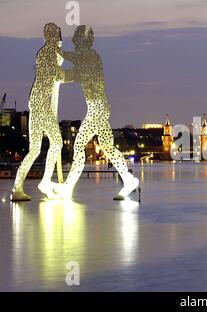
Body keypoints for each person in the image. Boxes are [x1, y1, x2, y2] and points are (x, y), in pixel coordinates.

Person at [54, 25, 139, 200]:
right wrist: (55, 75)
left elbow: (74, 62)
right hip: (98, 107)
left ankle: (67, 188)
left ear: (83, 41)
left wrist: (56, 50)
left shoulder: (90, 57)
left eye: (76, 39)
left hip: (97, 108)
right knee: (108, 147)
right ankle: (128, 179)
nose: (73, 42)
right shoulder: (87, 61)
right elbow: (70, 75)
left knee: (78, 146)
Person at [11, 23, 68, 201]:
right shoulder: (49, 53)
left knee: (35, 149)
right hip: (42, 104)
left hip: (36, 103)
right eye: (58, 36)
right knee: (57, 143)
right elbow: (58, 75)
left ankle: (17, 187)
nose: (60, 39)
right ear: (51, 36)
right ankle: (44, 182)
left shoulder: (46, 52)